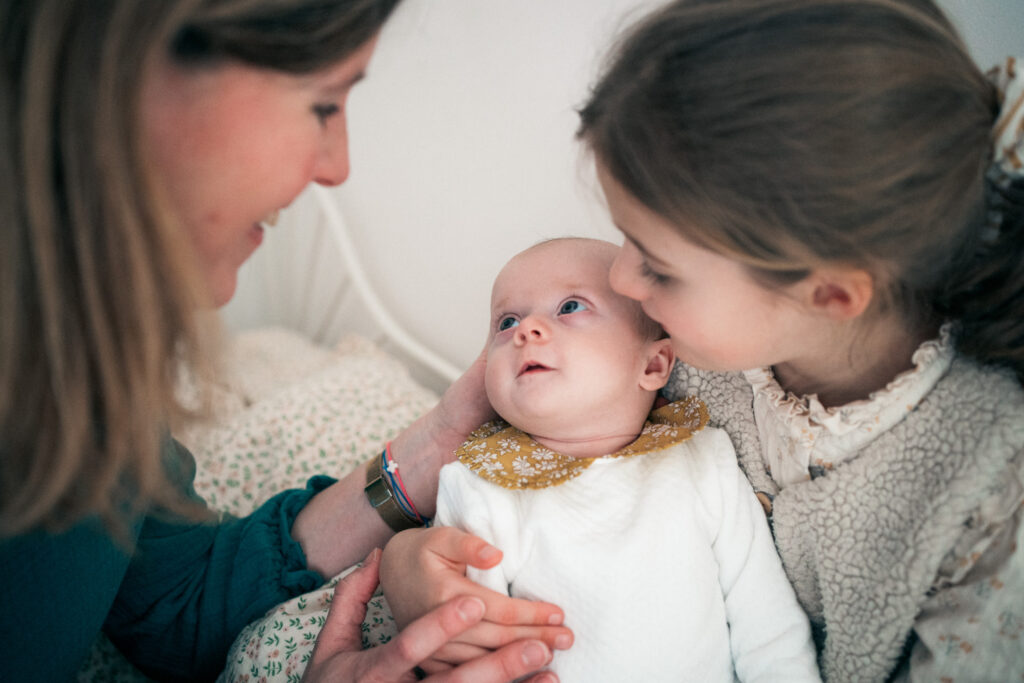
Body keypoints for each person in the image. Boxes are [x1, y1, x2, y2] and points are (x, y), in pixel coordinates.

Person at [379, 0, 1024, 680]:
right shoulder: (681, 356)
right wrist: (404, 560)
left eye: (655, 263)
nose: (622, 278)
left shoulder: (989, 493)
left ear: (829, 294)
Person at [0, 1, 571, 680]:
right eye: (324, 106)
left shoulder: (83, 359)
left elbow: (173, 602)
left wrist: (438, 444)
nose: (338, 167)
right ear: (120, 78)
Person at [424, 237, 821, 681]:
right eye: (506, 320)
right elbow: (473, 649)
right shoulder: (481, 486)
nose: (525, 330)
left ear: (653, 366)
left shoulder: (705, 459)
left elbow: (766, 622)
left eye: (570, 307)